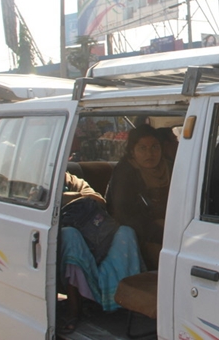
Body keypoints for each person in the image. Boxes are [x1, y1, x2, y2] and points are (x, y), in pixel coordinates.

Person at [58, 171, 143, 334]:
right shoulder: (41, 182)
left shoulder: (73, 181)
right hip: (75, 245)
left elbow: (98, 200)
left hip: (99, 237)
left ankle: (125, 302)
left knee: (126, 232)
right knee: (69, 235)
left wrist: (71, 196)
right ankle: (73, 308)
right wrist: (75, 198)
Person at [106, 124, 171, 270]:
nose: (150, 154)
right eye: (143, 148)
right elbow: (124, 214)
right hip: (136, 233)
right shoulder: (125, 172)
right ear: (132, 151)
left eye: (155, 147)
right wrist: (160, 231)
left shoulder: (170, 168)